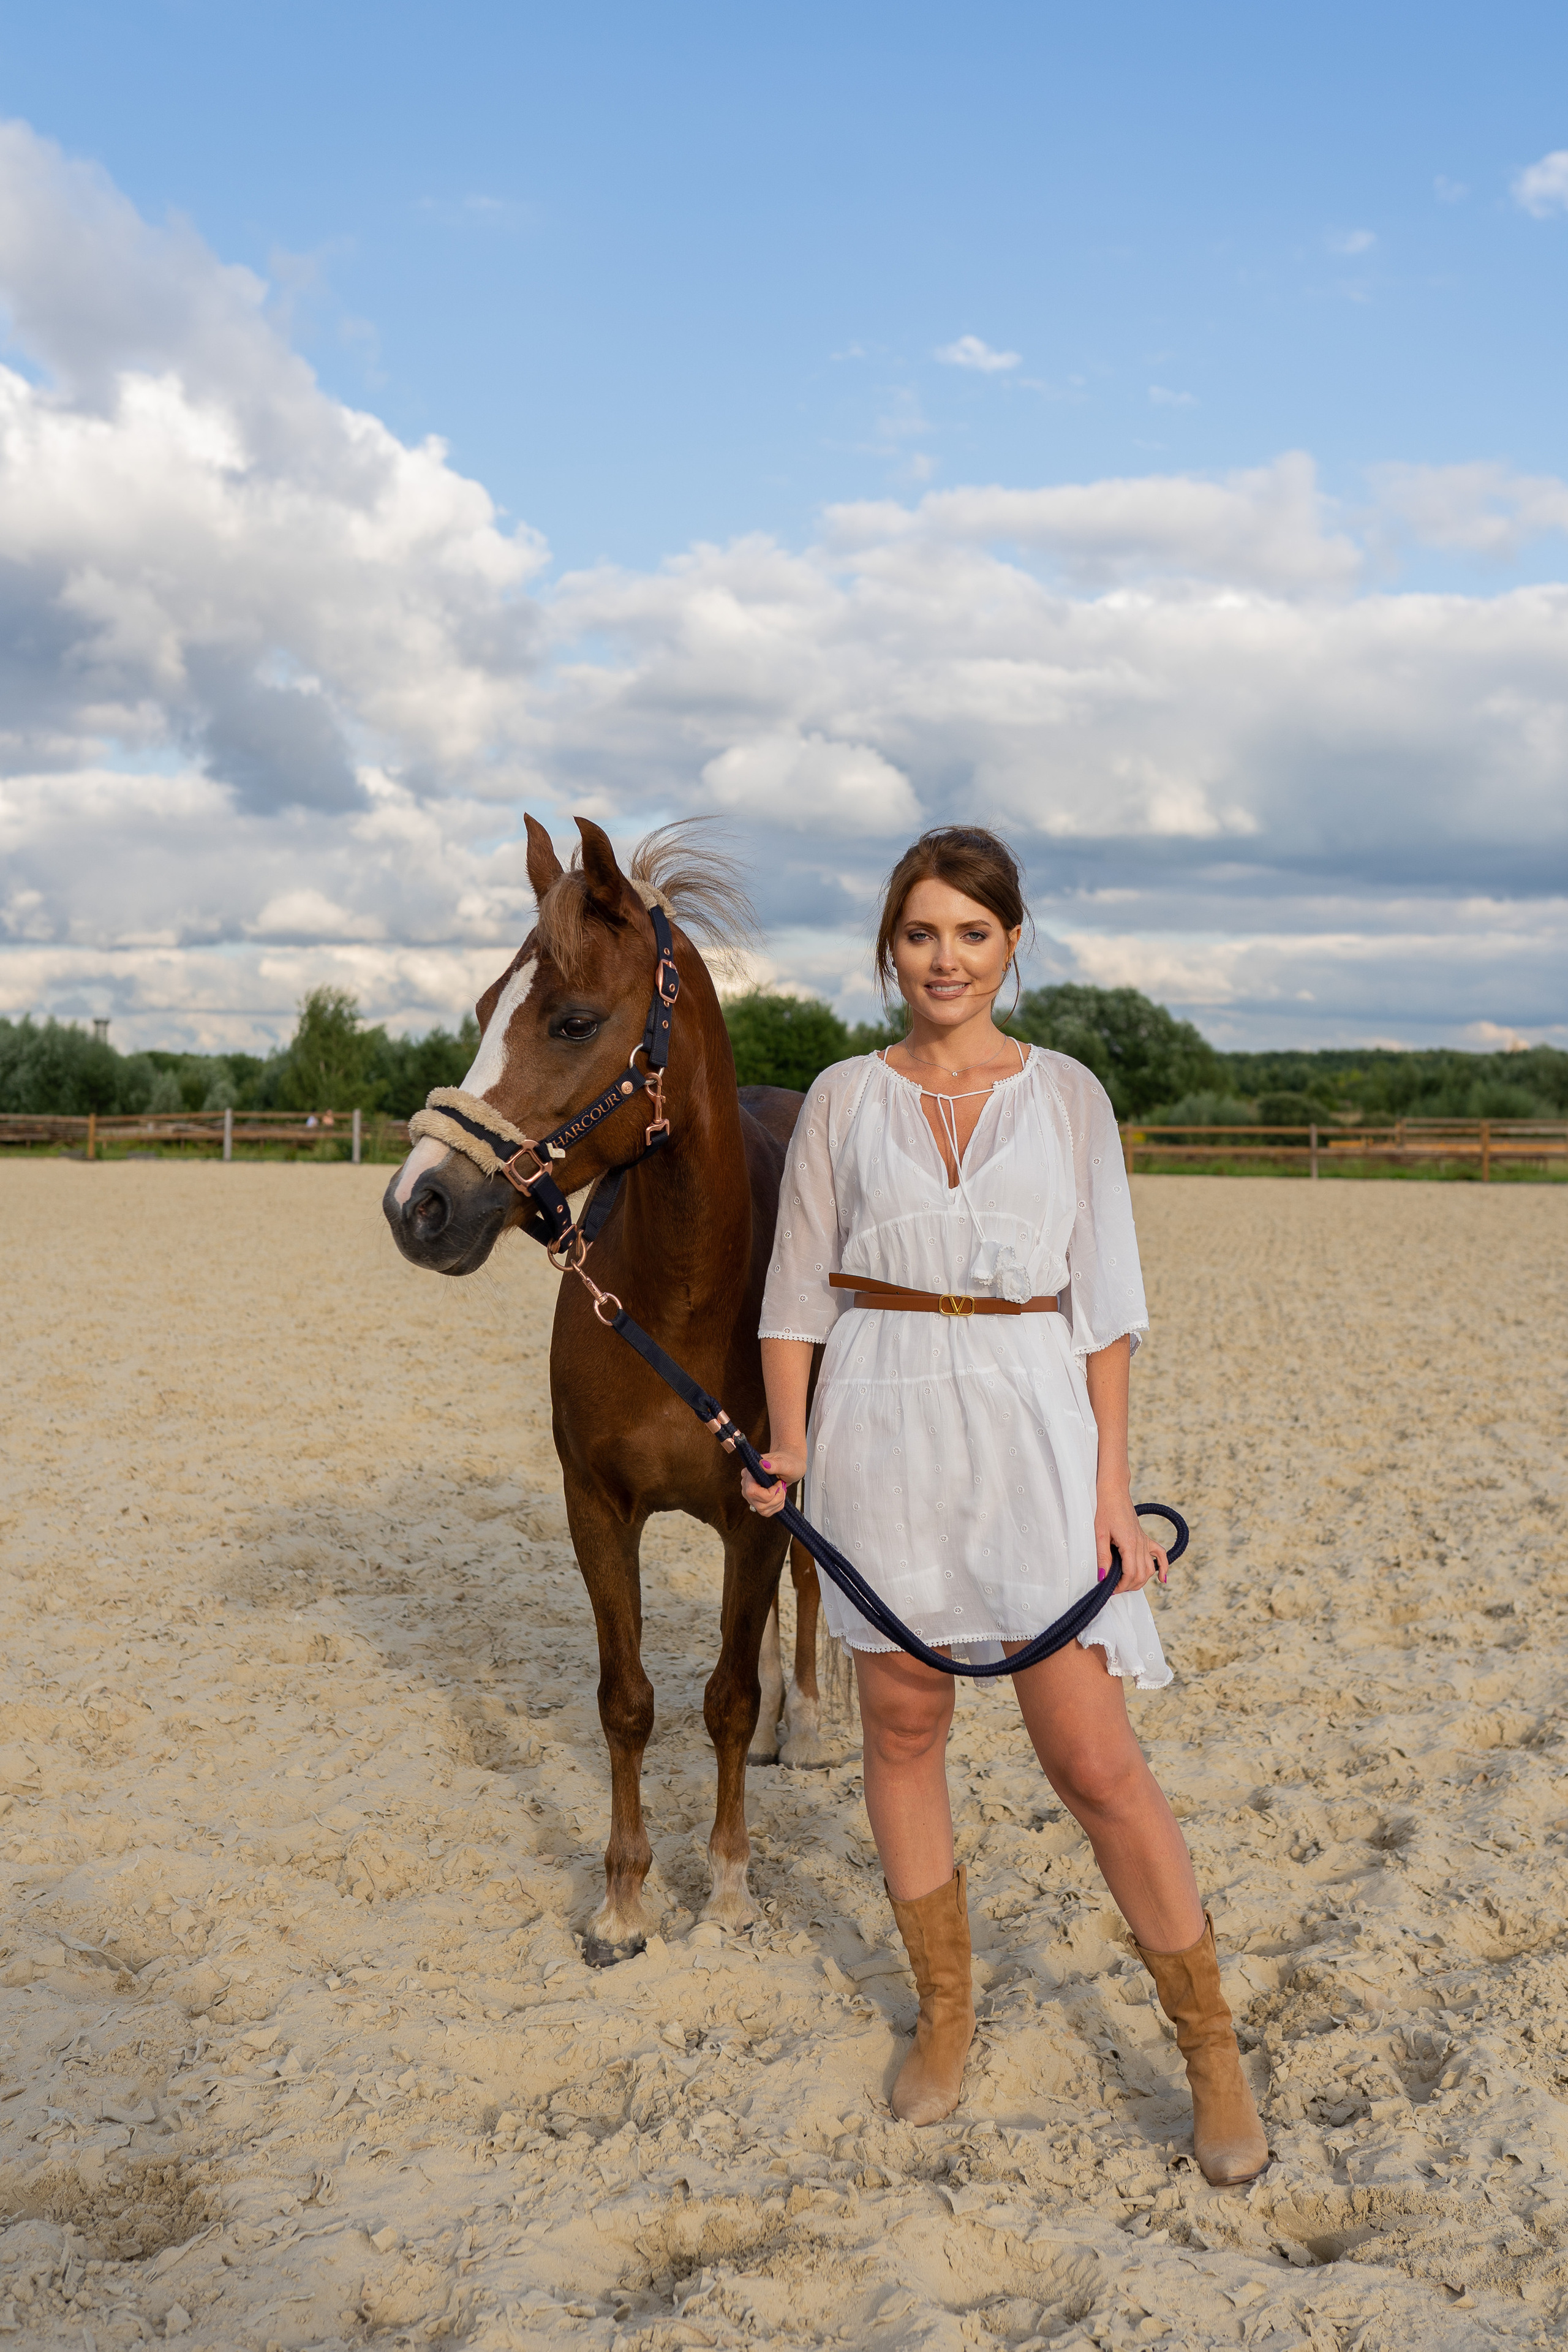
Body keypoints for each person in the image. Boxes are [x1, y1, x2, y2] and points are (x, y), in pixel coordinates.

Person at [741, 826, 1267, 2187]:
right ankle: (946, 2015)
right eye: (920, 934)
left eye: (970, 934)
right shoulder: (843, 1099)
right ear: (888, 949)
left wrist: (1109, 1494)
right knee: (903, 1730)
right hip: (882, 1419)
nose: (944, 959)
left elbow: (1106, 1310)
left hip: (1033, 1430)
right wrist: (789, 1447)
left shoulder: (1068, 1096)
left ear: (1010, 945)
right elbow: (795, 1296)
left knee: (1091, 1761)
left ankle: (1207, 2051)